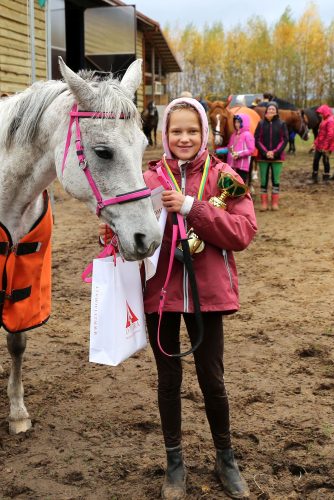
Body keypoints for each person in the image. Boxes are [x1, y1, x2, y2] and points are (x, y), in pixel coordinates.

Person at [99, 97, 257, 499]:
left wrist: (192, 207)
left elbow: (242, 232)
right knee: (168, 380)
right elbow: (125, 224)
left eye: (192, 130)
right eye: (176, 131)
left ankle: (226, 458)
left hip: (209, 295)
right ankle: (174, 464)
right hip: (160, 294)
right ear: (164, 135)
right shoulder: (146, 180)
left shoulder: (226, 177)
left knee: (212, 380)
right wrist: (112, 238)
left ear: (205, 133)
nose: (184, 138)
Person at [254, 101, 288, 211]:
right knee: (263, 180)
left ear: (277, 111)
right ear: (266, 111)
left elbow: (284, 139)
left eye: (273, 109)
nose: (271, 111)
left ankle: (274, 203)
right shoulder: (261, 123)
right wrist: (265, 152)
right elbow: (257, 139)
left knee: (275, 180)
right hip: (263, 158)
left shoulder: (282, 124)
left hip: (277, 158)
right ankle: (264, 203)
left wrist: (275, 152)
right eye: (269, 109)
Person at [309, 104, 334, 183]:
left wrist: (325, 147)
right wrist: (315, 143)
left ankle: (326, 177)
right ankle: (314, 177)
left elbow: (330, 135)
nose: (320, 115)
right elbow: (320, 134)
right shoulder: (324, 120)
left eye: (321, 113)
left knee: (325, 161)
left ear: (325, 112)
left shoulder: (330, 120)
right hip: (320, 145)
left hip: (326, 146)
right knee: (316, 160)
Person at [227, 114, 255, 185]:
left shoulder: (248, 135)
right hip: (232, 165)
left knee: (240, 186)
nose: (236, 124)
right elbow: (229, 148)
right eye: (235, 122)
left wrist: (238, 154)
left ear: (244, 123)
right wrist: (218, 151)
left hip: (242, 167)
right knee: (232, 186)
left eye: (239, 122)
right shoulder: (233, 135)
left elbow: (251, 149)